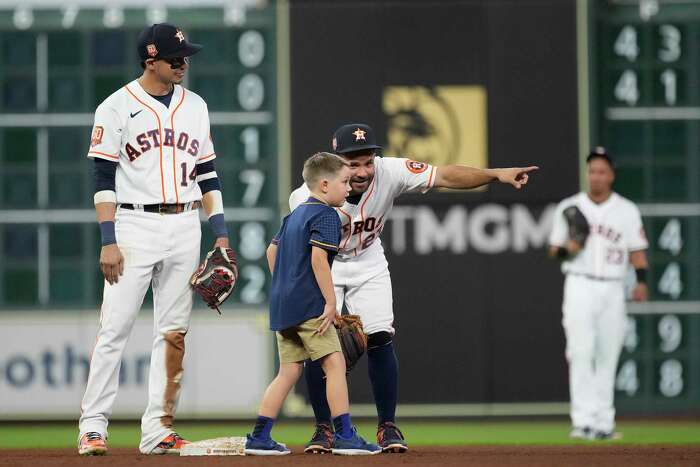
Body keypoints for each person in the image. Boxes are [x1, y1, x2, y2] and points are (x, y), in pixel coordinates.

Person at [290, 123, 538, 454]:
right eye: (352, 163)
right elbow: (298, 248)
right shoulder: (307, 194)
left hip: (367, 258)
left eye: (367, 161)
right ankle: (324, 429)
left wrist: (496, 174)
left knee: (379, 336)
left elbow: (446, 175)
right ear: (335, 162)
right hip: (325, 264)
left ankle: (387, 426)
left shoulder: (390, 171)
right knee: (318, 345)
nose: (362, 170)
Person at [78, 23, 232, 456]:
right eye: (174, 58)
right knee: (115, 327)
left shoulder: (196, 106)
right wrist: (108, 239)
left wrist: (219, 234)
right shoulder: (115, 107)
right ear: (150, 60)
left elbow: (208, 174)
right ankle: (92, 426)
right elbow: (102, 177)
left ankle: (158, 429)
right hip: (134, 225)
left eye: (185, 56)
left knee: (174, 332)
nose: (183, 63)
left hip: (186, 224)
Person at [245, 152, 380, 456]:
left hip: (283, 306)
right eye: (344, 181)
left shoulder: (293, 215)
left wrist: (285, 285)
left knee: (288, 372)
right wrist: (331, 303)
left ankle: (260, 436)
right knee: (335, 365)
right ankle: (345, 435)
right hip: (310, 306)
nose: (349, 188)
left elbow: (271, 252)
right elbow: (319, 258)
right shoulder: (326, 215)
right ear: (323, 185)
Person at [548, 147, 649, 440]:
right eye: (592, 170)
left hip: (613, 287)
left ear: (612, 175)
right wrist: (570, 248)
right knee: (580, 351)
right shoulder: (570, 207)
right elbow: (553, 250)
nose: (596, 176)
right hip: (579, 283)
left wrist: (641, 281)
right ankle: (583, 422)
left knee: (608, 353)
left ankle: (604, 422)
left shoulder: (627, 210)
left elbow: (638, 252)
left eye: (602, 171)